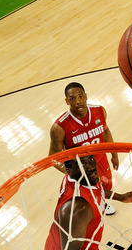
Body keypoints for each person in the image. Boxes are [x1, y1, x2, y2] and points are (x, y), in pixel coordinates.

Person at [49, 82, 120, 215]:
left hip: (100, 159)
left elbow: (105, 132)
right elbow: (53, 157)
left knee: (106, 186)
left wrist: (114, 154)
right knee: (86, 196)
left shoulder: (99, 110)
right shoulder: (59, 127)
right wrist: (71, 172)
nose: (78, 102)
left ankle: (102, 203)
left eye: (81, 96)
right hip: (81, 167)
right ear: (66, 101)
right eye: (72, 99)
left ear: (86, 96)